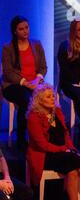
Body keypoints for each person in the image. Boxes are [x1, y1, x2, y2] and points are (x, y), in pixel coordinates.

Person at [1, 15, 47, 150]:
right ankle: (22, 139)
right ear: (15, 31)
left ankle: (46, 137)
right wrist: (25, 83)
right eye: (21, 29)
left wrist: (38, 79)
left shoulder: (37, 44)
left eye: (27, 27)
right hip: (14, 85)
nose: (25, 31)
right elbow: (8, 72)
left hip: (35, 83)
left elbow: (43, 67)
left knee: (49, 98)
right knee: (26, 100)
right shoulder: (7, 48)